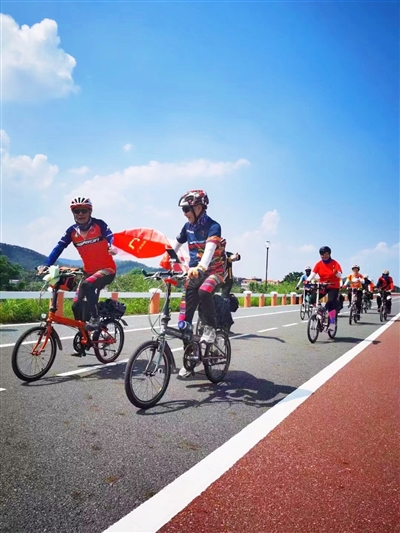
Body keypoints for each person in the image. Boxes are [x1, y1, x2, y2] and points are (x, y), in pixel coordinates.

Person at [38, 197, 117, 330]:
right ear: (73, 213)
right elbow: (59, 248)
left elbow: (111, 237)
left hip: (107, 269)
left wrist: (113, 246)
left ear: (90, 212)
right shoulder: (71, 231)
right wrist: (46, 264)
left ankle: (95, 318)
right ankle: (84, 335)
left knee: (87, 284)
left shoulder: (99, 224)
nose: (80, 214)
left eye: (83, 211)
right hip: (89, 272)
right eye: (76, 211)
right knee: (76, 305)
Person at [171, 190, 225, 377]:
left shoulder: (213, 226)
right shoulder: (187, 227)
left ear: (199, 207)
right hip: (194, 273)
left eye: (186, 209)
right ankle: (190, 360)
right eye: (183, 210)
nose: (184, 213)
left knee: (204, 291)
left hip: (214, 272)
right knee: (183, 323)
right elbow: (175, 245)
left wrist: (201, 267)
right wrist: (167, 260)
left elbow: (209, 250)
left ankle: (210, 327)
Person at [306, 246, 343, 332]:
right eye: (322, 254)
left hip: (333, 286)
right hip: (323, 285)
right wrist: (307, 280)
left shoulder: (335, 263)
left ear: (329, 254)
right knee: (312, 298)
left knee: (331, 302)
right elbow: (313, 273)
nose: (324, 256)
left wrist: (336, 272)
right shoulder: (319, 264)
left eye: (326, 254)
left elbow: (340, 275)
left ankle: (332, 323)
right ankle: (320, 310)